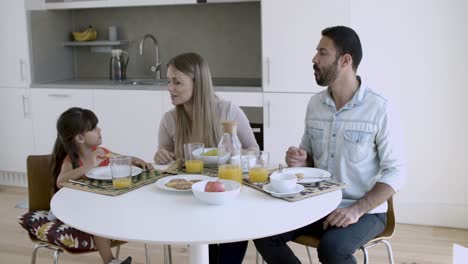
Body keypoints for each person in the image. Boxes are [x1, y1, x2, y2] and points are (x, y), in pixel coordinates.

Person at [254, 26, 405, 264]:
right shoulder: (315, 104)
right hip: (318, 204)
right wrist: (302, 160)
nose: (314, 59)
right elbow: (311, 160)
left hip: (365, 211)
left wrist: (355, 210)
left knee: (332, 248)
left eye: (322, 53)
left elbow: (396, 171)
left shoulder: (380, 107)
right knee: (263, 234)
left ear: (345, 60)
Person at [154, 52, 259, 264]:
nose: (170, 88)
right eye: (168, 81)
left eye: (177, 82)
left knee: (231, 231)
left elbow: (253, 149)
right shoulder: (170, 119)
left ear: (198, 83)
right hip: (192, 200)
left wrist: (237, 154)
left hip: (228, 195)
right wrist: (161, 155)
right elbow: (163, 161)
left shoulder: (228, 111)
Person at [51, 107, 153, 264]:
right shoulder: (71, 160)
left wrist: (136, 160)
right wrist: (88, 165)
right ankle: (110, 261)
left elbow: (122, 158)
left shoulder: (101, 152)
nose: (99, 130)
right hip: (77, 209)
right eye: (93, 128)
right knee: (98, 219)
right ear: (80, 138)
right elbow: (61, 181)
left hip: (100, 205)